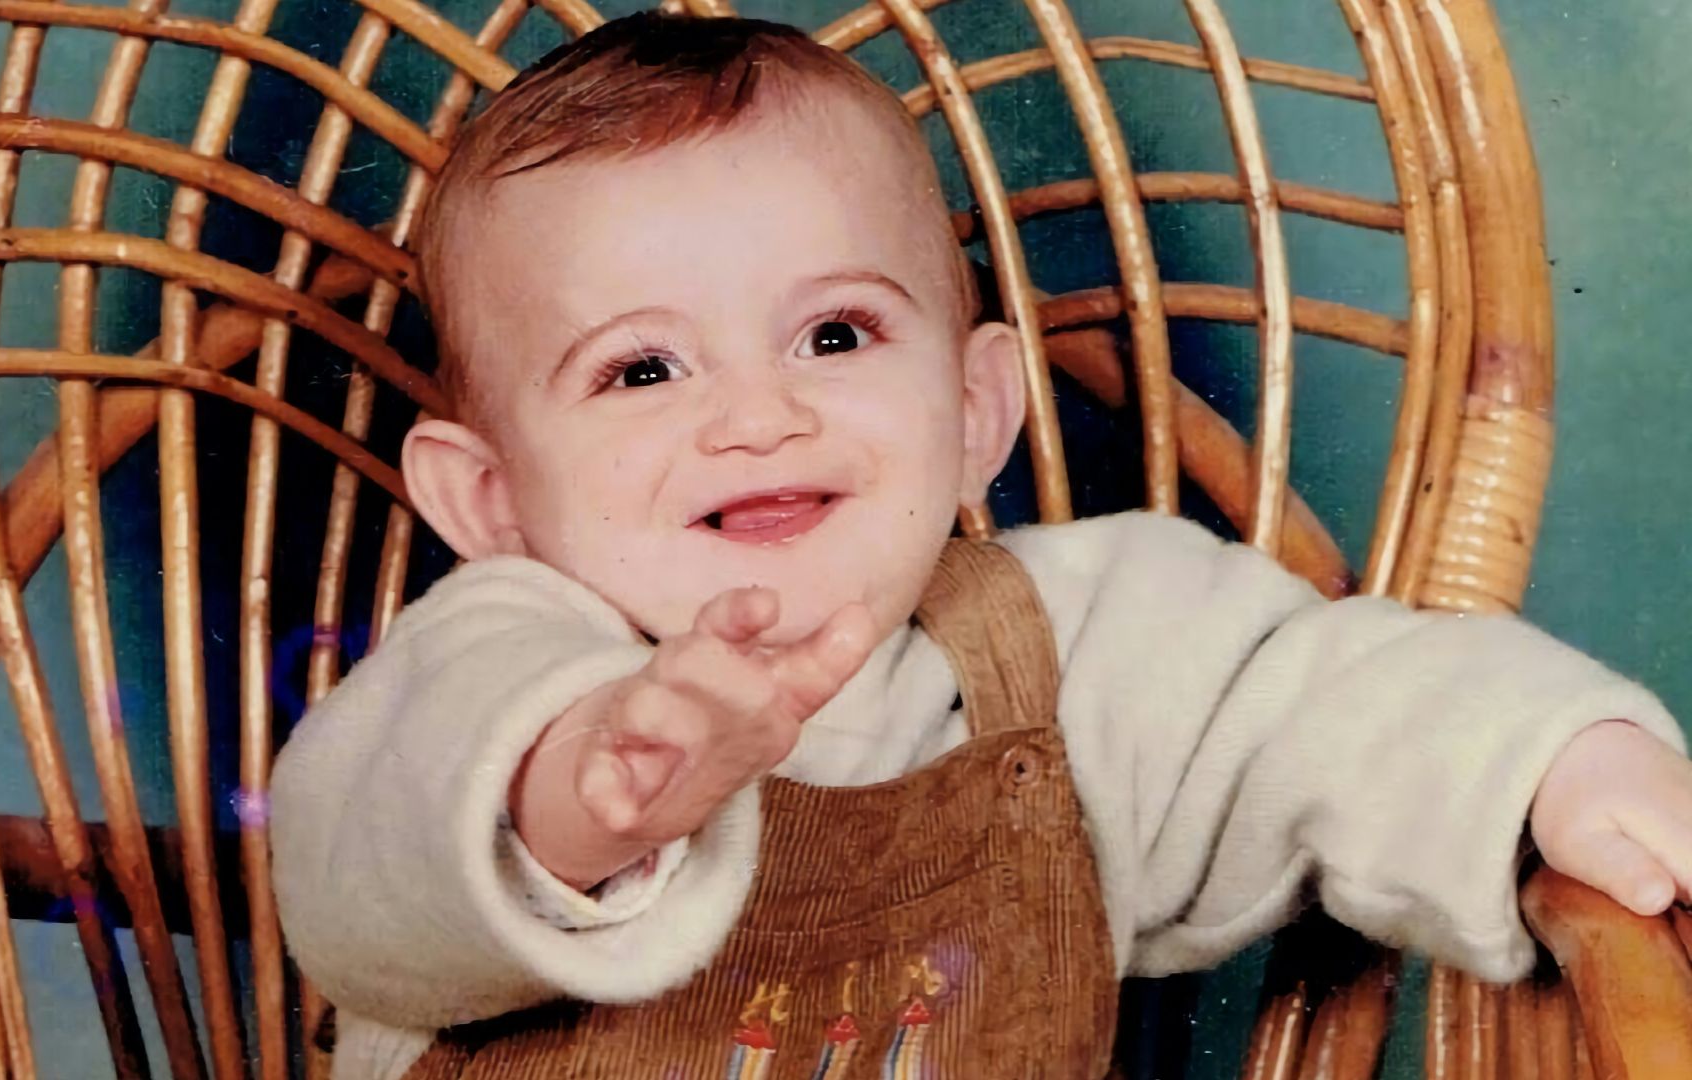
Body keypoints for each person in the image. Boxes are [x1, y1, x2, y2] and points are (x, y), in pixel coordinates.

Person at [271, 13, 1692, 1078]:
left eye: (835, 335)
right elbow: (352, 878)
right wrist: (581, 799)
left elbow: (1331, 701)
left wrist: (1560, 761)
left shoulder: (1082, 640)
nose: (758, 415)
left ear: (971, 409)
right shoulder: (491, 667)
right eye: (643, 371)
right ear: (490, 499)